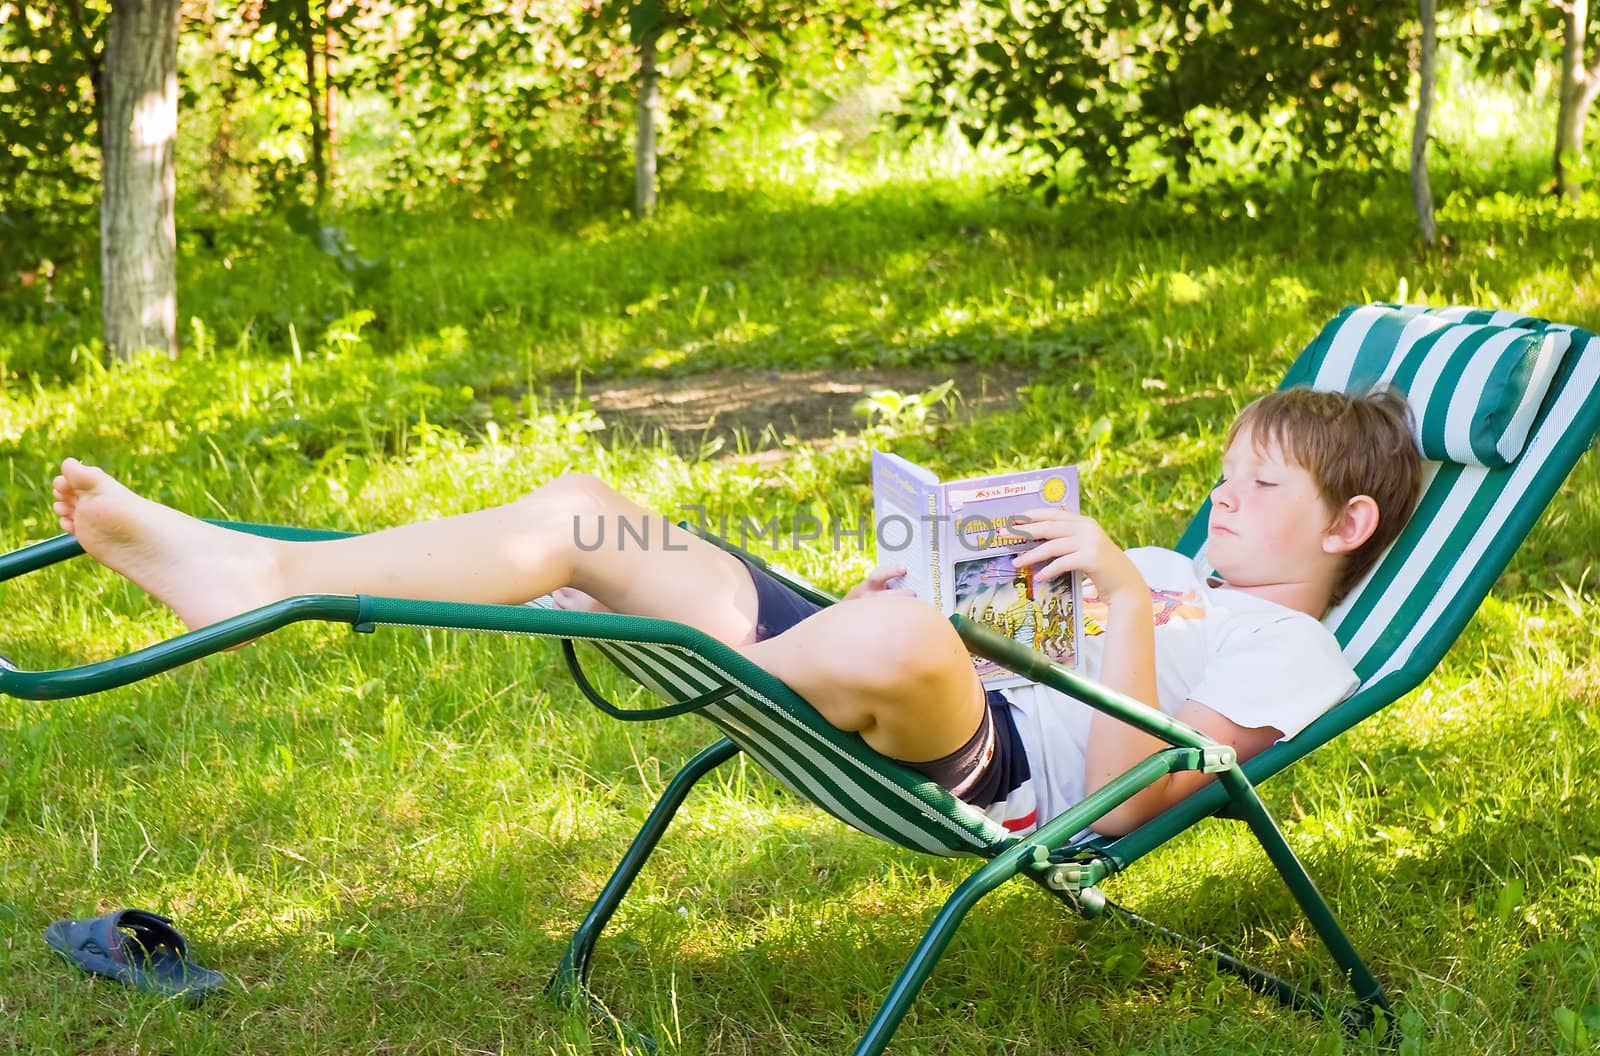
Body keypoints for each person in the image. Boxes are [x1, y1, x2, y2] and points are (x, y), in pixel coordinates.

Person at [49, 386, 1421, 838]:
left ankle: (788, 644)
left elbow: (1120, 813)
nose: (1220, 501)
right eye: (1226, 474)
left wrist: (1117, 597)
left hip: (988, 766)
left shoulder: (1294, 651)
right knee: (586, 511)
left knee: (895, 641)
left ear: (1348, 526)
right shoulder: (1185, 575)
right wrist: (942, 578)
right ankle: (256, 575)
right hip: (881, 656)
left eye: (1258, 486)